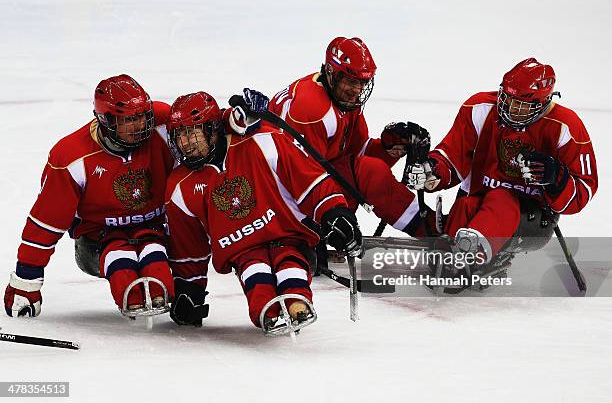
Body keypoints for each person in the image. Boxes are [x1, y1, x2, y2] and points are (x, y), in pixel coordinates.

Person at [164, 90, 361, 333]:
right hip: (243, 251)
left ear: (213, 130)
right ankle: (268, 311)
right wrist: (189, 290)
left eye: (192, 133)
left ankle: (297, 302)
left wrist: (334, 212)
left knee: (289, 263)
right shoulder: (180, 186)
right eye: (179, 135)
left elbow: (307, 178)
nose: (186, 143)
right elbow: (188, 247)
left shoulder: (262, 141)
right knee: (256, 275)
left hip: (287, 235)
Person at [4, 74, 176, 318]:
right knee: (121, 257)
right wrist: (26, 282)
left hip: (159, 229)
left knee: (155, 251)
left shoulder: (162, 122)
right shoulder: (71, 158)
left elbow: (206, 130)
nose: (140, 125)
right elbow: (46, 224)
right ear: (105, 121)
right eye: (129, 120)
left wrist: (238, 121)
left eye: (142, 116)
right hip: (97, 241)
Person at [406, 58, 598, 265]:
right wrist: (433, 170)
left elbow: (584, 189)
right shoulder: (480, 108)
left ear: (542, 102)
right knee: (464, 205)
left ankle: (471, 255)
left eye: (522, 104)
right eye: (508, 99)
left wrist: (556, 177)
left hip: (532, 219)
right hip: (480, 202)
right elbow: (453, 154)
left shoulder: (566, 127)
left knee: (501, 197)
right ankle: (449, 258)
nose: (512, 108)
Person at [268, 37, 429, 237]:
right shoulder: (311, 111)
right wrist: (330, 220)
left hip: (304, 181)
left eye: (363, 82)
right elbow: (299, 179)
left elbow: (356, 152)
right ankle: (304, 238)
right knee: (370, 172)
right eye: (352, 81)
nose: (358, 90)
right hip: (278, 201)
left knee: (372, 170)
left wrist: (390, 147)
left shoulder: (342, 97)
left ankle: (427, 226)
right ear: (330, 72)